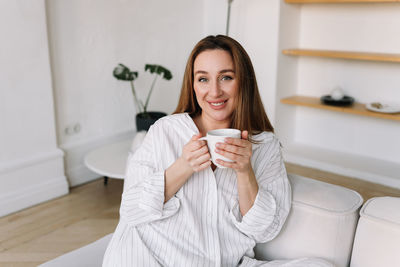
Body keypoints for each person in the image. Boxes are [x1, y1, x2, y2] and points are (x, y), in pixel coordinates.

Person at [103, 35, 332, 267]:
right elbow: (131, 210)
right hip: (153, 258)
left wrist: (245, 172)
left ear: (243, 81)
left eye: (226, 77)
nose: (214, 91)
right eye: (203, 79)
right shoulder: (166, 130)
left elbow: (265, 231)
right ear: (192, 85)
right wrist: (183, 166)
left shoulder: (265, 145)